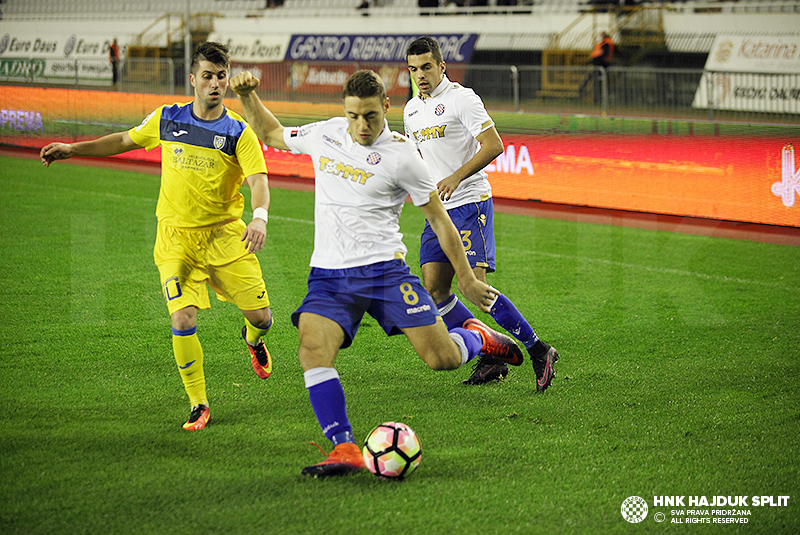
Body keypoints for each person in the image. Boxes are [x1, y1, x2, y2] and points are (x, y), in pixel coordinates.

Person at [231, 68, 523, 477]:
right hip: (330, 276)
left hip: (386, 274)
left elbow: (441, 222)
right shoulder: (326, 134)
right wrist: (248, 97)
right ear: (344, 111)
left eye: (370, 115)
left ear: (387, 107)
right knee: (312, 350)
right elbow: (272, 133)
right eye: (353, 116)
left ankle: (475, 336)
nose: (361, 126)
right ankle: (344, 447)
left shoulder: (404, 157)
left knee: (441, 358)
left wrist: (468, 278)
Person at [40, 42, 275, 432]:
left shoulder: (239, 132)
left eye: (221, 76)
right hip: (175, 239)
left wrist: (260, 218)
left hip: (224, 237)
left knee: (263, 318)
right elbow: (123, 140)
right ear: (193, 79)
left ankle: (252, 340)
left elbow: (258, 181)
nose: (215, 83)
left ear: (227, 79)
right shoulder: (167, 118)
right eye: (207, 76)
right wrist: (73, 148)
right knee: (182, 318)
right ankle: (198, 403)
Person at [404, 36, 558, 389]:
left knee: (474, 287)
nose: (421, 75)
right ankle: (491, 356)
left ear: (442, 66)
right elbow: (418, 159)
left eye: (427, 67)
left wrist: (457, 176)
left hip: (471, 201)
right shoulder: (411, 110)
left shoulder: (462, 99)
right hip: (438, 209)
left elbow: (494, 145)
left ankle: (538, 350)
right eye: (414, 70)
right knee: (434, 289)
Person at [579, 31, 615, 102]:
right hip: (599, 64)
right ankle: (585, 91)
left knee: (596, 81)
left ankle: (596, 98)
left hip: (601, 64)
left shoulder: (606, 43)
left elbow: (603, 53)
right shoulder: (604, 43)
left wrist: (595, 60)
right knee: (594, 79)